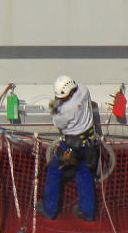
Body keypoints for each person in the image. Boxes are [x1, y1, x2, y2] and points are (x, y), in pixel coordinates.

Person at [41, 75, 99, 221]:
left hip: (71, 149)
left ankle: (49, 209)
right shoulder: (84, 90)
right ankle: (87, 212)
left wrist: (54, 107)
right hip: (89, 144)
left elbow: (58, 124)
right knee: (84, 173)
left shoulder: (66, 109)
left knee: (54, 171)